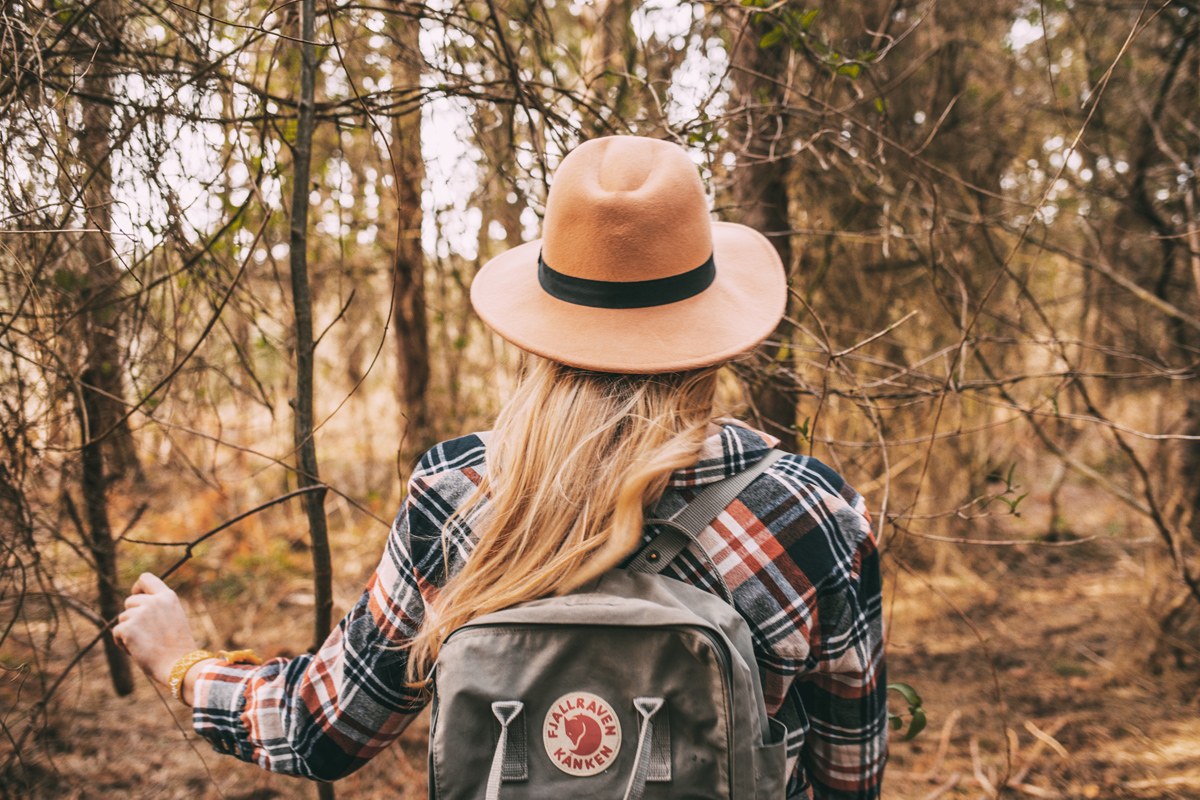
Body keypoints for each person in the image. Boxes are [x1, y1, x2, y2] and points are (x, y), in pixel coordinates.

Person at [113, 135, 887, 799]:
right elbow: (850, 772)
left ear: (541, 331)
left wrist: (185, 664)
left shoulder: (457, 493)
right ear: (712, 329)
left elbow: (324, 727)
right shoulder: (808, 511)